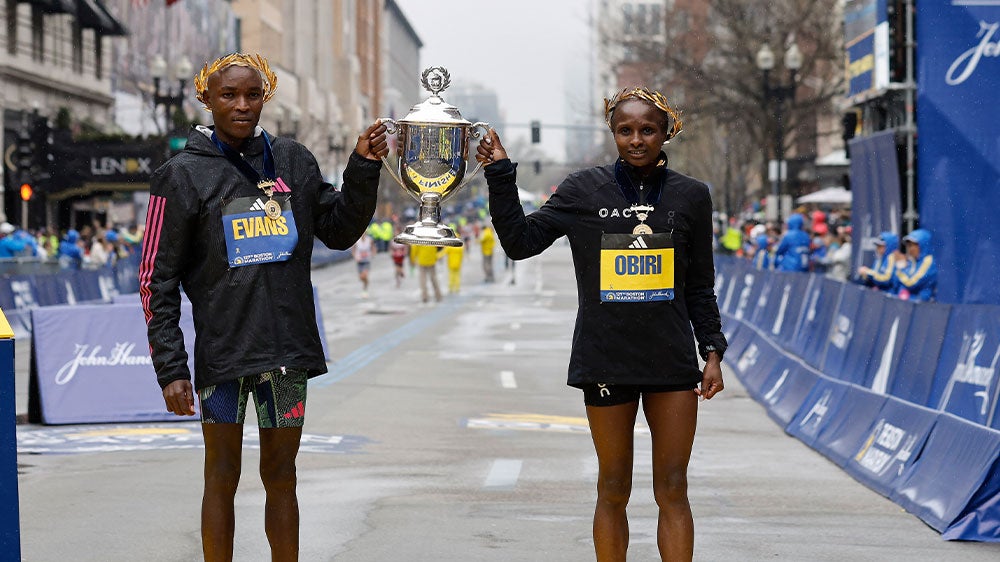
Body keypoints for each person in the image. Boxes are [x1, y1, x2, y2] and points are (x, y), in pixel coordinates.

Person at [139, 52, 387, 562]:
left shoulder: (293, 160)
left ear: (265, 97)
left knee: (281, 474)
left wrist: (363, 167)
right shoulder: (180, 175)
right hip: (223, 355)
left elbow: (339, 231)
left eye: (252, 95)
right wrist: (171, 368)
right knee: (221, 475)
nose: (242, 105)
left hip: (286, 352)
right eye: (228, 95)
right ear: (206, 99)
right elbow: (155, 280)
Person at [476, 86, 726, 561]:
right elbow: (520, 242)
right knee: (613, 487)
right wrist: (500, 174)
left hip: (671, 361)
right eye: (625, 130)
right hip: (606, 358)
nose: (636, 140)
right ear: (613, 133)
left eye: (647, 130)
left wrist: (712, 350)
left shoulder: (691, 196)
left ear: (667, 132)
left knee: (673, 486)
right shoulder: (583, 189)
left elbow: (700, 284)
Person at [896, 228, 937, 302]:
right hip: (910, 305)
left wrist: (900, 269)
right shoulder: (912, 261)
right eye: (908, 245)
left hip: (924, 306)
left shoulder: (928, 261)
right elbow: (897, 283)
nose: (910, 249)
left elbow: (911, 283)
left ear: (922, 245)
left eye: (912, 245)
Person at [352, 231, 375, 297]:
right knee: (361, 277)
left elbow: (373, 247)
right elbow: (353, 250)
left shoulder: (369, 240)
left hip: (367, 261)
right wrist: (355, 257)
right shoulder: (357, 240)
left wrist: (373, 253)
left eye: (364, 233)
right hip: (359, 261)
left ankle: (365, 290)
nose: (363, 234)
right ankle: (366, 282)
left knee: (364, 275)